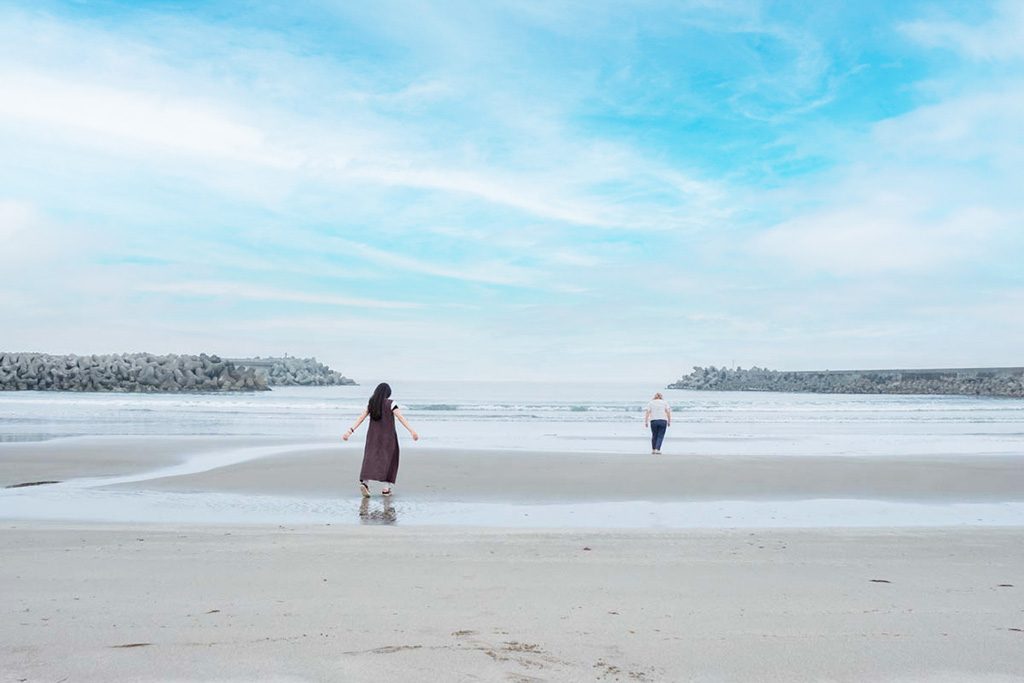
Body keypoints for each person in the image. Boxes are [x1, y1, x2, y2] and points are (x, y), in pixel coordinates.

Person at [343, 382, 418, 497]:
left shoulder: (371, 404)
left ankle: (365, 483)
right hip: (388, 437)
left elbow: (361, 418)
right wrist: (412, 431)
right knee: (390, 459)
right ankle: (386, 489)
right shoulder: (391, 403)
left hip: (373, 436)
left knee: (370, 458)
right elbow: (400, 417)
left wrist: (350, 431)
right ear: (387, 393)